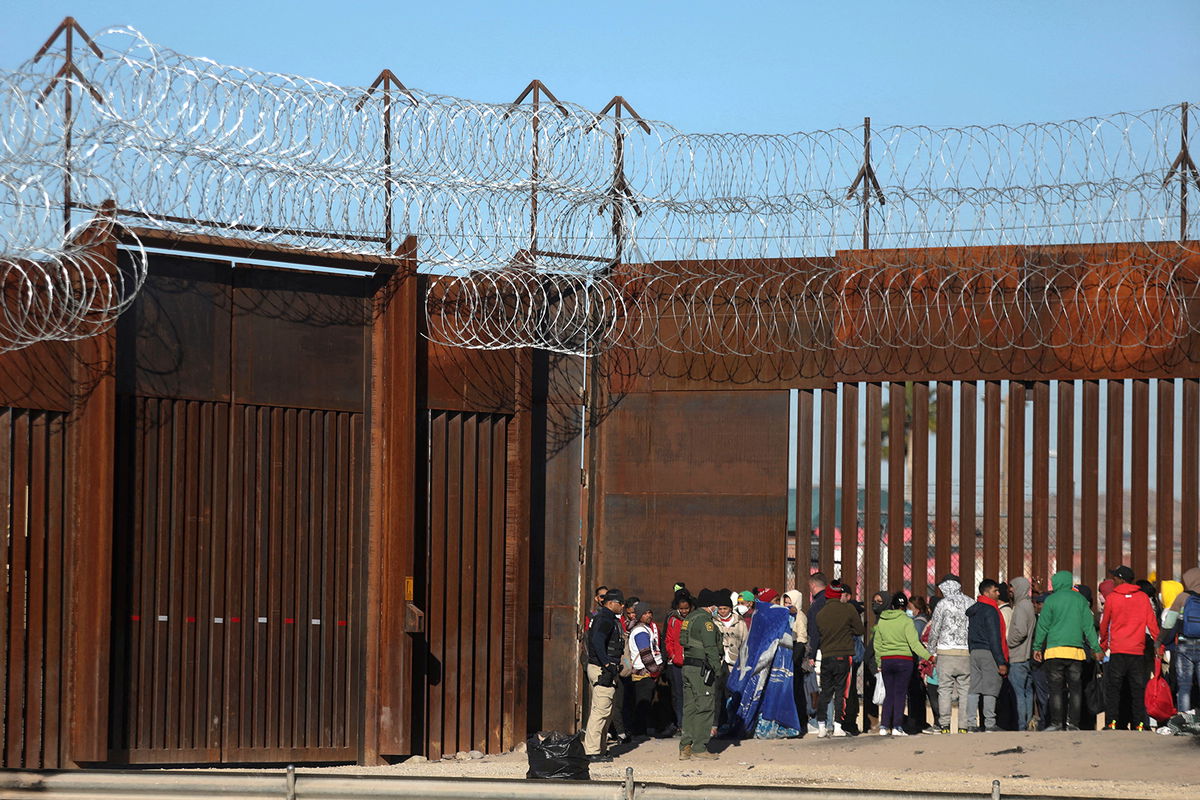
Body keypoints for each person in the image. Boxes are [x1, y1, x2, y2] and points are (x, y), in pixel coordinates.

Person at [1032, 571, 1102, 731]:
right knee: (1075, 688)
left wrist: (1037, 647)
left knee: (1055, 688)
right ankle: (1073, 724)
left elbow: (1043, 626)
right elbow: (1088, 627)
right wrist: (1096, 648)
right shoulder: (1080, 600)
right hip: (1075, 652)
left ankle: (1056, 723)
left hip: (1054, 652)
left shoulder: (1051, 600)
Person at [728, 594, 802, 739]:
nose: (742, 606)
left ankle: (767, 724)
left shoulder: (764, 612)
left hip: (772, 660)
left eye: (744, 603)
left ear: (751, 603)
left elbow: (785, 615)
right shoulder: (756, 615)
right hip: (762, 660)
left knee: (770, 692)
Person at [1099, 566, 1159, 730]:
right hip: (1137, 651)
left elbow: (1105, 625)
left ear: (1121, 579)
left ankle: (1112, 724)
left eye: (1115, 578)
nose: (1113, 581)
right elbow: (1152, 623)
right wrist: (1158, 644)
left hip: (1118, 650)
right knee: (1138, 689)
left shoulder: (1112, 598)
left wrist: (1103, 644)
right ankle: (1139, 724)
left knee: (1114, 689)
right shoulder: (1142, 598)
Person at [872, 591, 930, 737]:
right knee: (900, 694)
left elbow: (877, 644)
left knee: (889, 694)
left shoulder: (883, 621)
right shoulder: (907, 621)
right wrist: (929, 657)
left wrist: (879, 661)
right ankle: (897, 726)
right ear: (905, 607)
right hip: (904, 661)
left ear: (892, 605)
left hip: (887, 660)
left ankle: (884, 726)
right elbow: (914, 644)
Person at [812, 580, 865, 737]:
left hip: (827, 655)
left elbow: (819, 632)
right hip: (844, 654)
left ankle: (821, 726)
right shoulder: (848, 609)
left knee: (825, 691)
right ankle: (837, 726)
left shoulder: (820, 614)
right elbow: (859, 629)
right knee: (841, 691)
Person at [925, 574, 972, 734]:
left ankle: (944, 724)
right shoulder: (970, 602)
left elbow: (935, 629)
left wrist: (931, 652)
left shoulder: (942, 604)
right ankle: (963, 726)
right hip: (966, 651)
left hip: (945, 651)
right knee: (965, 689)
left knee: (944, 688)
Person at [679, 589, 723, 760]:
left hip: (688, 667)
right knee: (705, 707)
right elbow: (711, 648)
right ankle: (699, 747)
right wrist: (717, 670)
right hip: (701, 670)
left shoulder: (690, 618)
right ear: (710, 606)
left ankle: (685, 747)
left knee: (689, 708)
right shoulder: (706, 622)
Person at [584, 589, 626, 761]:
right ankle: (592, 751)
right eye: (620, 603)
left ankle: (599, 749)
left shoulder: (604, 617)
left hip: (603, 668)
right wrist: (607, 663)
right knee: (600, 711)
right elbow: (598, 641)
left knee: (606, 711)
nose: (623, 606)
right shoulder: (605, 618)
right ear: (611, 603)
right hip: (602, 670)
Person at [964, 579, 1009, 732]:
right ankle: (990, 724)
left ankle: (970, 724)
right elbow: (994, 637)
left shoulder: (974, 609)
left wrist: (972, 651)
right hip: (989, 652)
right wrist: (1001, 661)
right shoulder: (991, 610)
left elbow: (969, 634)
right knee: (990, 688)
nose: (998, 594)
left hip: (975, 651)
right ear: (986, 592)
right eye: (995, 591)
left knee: (974, 688)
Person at [1159, 567, 1200, 714]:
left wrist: (1159, 641)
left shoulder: (1182, 597)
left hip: (1185, 646)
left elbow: (1169, 624)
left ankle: (1184, 719)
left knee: (1184, 687)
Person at [626, 602, 664, 736]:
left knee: (644, 702)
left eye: (650, 612)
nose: (648, 615)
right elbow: (645, 654)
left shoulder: (645, 628)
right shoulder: (640, 631)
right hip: (643, 673)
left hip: (648, 672)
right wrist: (654, 670)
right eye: (645, 613)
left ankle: (641, 730)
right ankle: (639, 732)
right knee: (643, 703)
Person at [713, 590, 748, 735]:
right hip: (718, 662)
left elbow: (745, 643)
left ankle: (732, 723)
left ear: (730, 608)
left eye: (725, 608)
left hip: (734, 662)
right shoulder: (713, 621)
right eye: (720, 609)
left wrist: (744, 664)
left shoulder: (739, 622)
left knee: (732, 694)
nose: (722, 611)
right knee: (716, 694)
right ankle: (716, 724)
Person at [1007, 577, 1037, 731]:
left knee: (1018, 693)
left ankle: (1021, 725)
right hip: (1027, 657)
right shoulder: (1029, 605)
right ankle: (1027, 722)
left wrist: (1008, 643)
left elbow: (1020, 632)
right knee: (1027, 693)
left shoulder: (1020, 607)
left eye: (1012, 587)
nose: (1010, 590)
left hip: (1017, 656)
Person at [664, 590, 692, 736]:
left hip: (692, 663)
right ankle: (681, 724)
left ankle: (692, 724)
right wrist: (673, 654)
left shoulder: (694, 619)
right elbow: (668, 640)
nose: (684, 611)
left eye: (686, 608)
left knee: (692, 695)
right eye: (681, 609)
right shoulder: (673, 620)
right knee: (678, 695)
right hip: (676, 664)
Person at [783, 589, 810, 735]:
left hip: (795, 656)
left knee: (797, 692)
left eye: (790, 602)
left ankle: (800, 724)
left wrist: (795, 657)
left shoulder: (800, 616)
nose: (787, 605)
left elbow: (802, 637)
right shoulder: (782, 615)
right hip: (783, 655)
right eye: (785, 602)